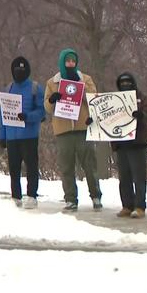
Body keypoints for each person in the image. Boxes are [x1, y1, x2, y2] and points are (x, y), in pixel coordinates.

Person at [44, 48, 102, 212]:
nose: (70, 63)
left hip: (82, 127)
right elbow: (47, 107)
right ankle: (70, 198)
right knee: (66, 166)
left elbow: (94, 99)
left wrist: (80, 88)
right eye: (67, 61)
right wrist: (52, 99)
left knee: (90, 165)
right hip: (63, 130)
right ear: (62, 62)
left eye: (73, 61)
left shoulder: (85, 79)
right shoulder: (52, 82)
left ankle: (95, 195)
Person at [0, 57, 45, 209]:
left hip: (29, 135)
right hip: (11, 136)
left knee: (31, 167)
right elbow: (2, 115)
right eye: (16, 70)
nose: (19, 73)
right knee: (14, 168)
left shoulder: (35, 88)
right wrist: (2, 136)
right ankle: (16, 196)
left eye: (22, 70)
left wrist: (28, 117)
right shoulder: (8, 88)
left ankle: (32, 195)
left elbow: (42, 112)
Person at [111, 72, 147, 218]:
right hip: (121, 143)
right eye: (122, 83)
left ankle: (140, 206)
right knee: (124, 178)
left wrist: (141, 115)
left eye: (128, 82)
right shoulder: (114, 100)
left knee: (139, 177)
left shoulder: (142, 98)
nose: (125, 85)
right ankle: (127, 205)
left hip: (138, 142)